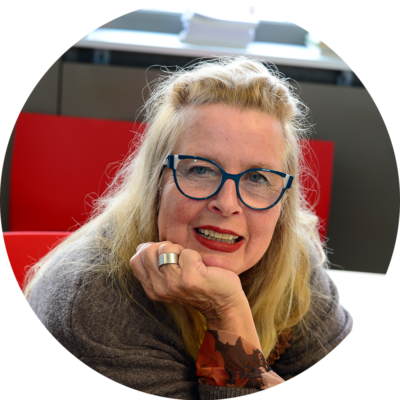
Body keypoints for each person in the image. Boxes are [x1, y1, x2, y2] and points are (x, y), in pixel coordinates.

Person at [24, 56, 352, 398]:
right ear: (157, 182)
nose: (227, 203)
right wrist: (226, 311)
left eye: (257, 177)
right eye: (200, 170)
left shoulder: (291, 257)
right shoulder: (91, 304)